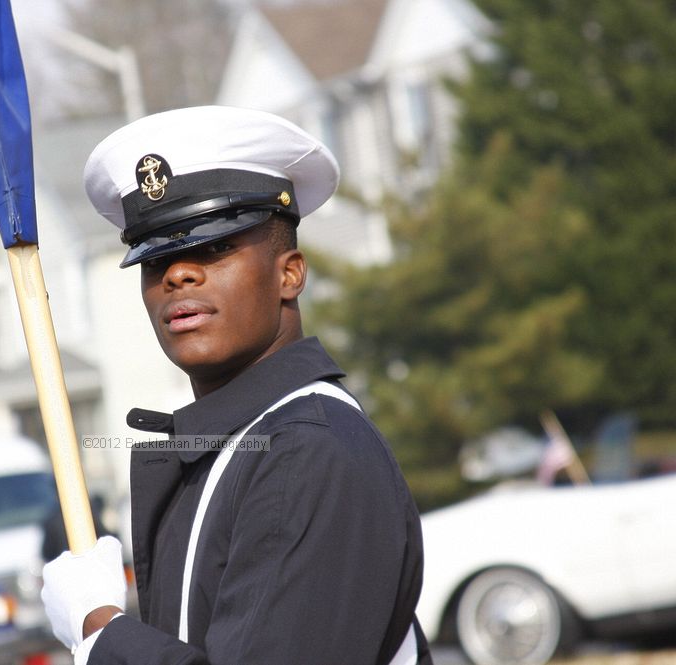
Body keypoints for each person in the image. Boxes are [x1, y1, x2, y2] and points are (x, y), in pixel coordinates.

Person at [41, 106, 432, 665]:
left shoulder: (306, 449)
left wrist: (102, 632)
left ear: (289, 273)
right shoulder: (239, 445)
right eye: (157, 260)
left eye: (214, 248)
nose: (179, 274)